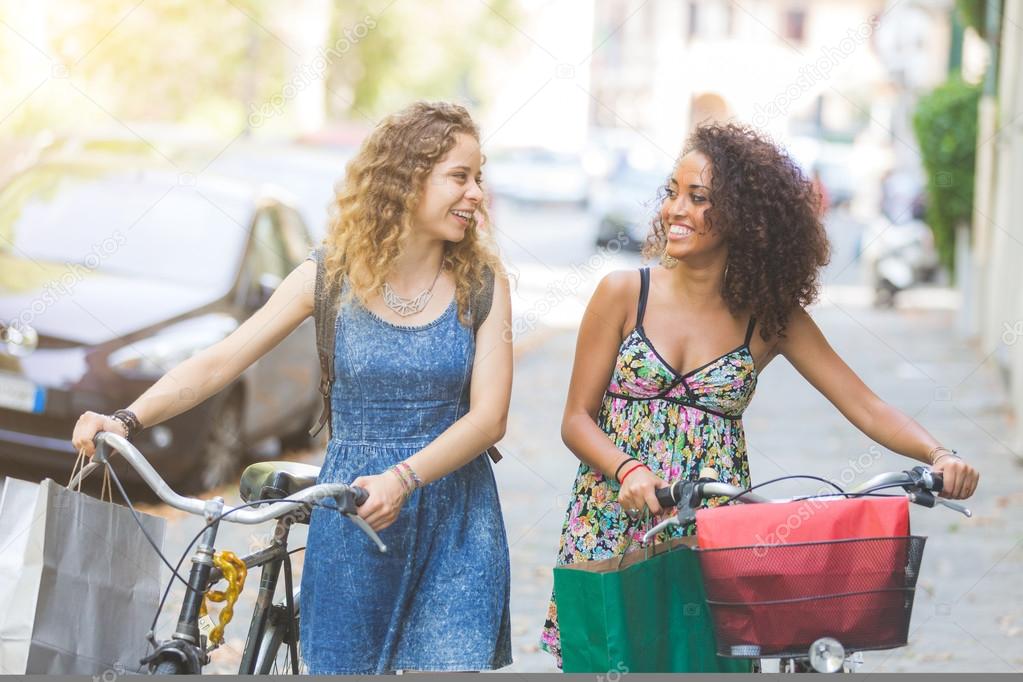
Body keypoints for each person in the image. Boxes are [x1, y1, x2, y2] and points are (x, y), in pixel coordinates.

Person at [72, 101, 514, 674]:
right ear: (405, 179)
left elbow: (489, 419)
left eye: (478, 176)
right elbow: (220, 360)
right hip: (351, 515)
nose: (477, 192)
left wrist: (403, 479)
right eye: (460, 176)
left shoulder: (484, 285)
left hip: (457, 525)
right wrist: (126, 419)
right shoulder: (328, 277)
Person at [539, 122, 979, 667]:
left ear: (745, 219)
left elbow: (865, 405)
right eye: (672, 192)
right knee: (608, 663)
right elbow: (576, 420)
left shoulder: (770, 320)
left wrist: (940, 455)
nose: (675, 208)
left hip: (714, 529)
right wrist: (627, 469)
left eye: (698, 198)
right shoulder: (624, 292)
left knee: (710, 663)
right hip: (611, 517)